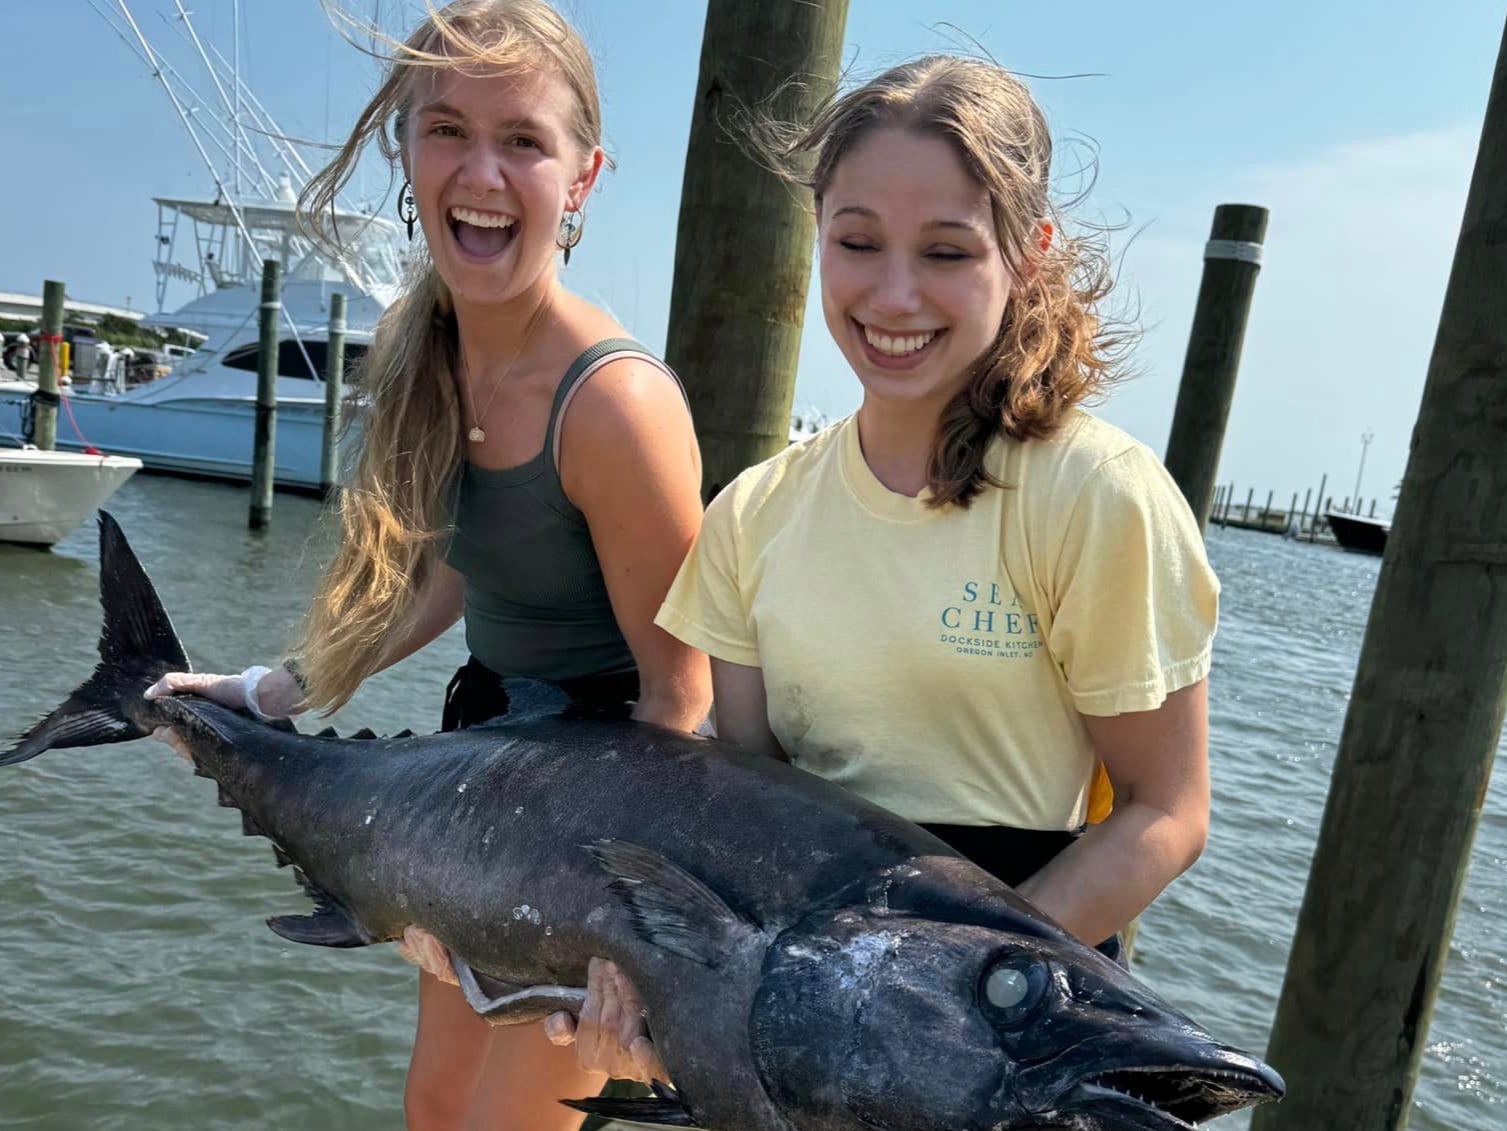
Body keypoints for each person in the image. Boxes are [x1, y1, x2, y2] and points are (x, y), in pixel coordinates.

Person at [144, 2, 708, 1128]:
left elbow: (683, 702)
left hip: (587, 820)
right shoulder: (425, 351)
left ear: (584, 178)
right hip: (477, 772)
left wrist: (630, 943)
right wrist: (276, 688)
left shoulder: (614, 406)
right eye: (445, 129)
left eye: (524, 140)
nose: (481, 170)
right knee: (435, 1109)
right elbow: (445, 572)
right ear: (405, 150)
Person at [649, 54, 1218, 975]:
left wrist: (950, 978)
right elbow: (745, 802)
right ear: (817, 234)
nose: (894, 295)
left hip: (1010, 998)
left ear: (1026, 253)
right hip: (803, 980)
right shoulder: (753, 511)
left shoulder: (1095, 493)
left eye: (946, 251)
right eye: (858, 241)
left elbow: (1166, 810)